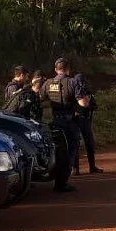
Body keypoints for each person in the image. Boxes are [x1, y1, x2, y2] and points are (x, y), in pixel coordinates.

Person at [39, 58, 89, 192]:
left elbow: (40, 97)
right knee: (70, 151)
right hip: (69, 122)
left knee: (57, 151)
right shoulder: (73, 82)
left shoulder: (48, 83)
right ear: (68, 69)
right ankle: (62, 182)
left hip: (55, 122)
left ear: (56, 69)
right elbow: (83, 103)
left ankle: (56, 179)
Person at [72, 73, 103, 175]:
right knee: (76, 144)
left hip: (84, 120)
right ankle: (75, 169)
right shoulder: (73, 92)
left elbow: (95, 106)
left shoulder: (86, 92)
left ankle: (91, 167)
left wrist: (88, 106)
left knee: (89, 143)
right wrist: (87, 105)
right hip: (76, 120)